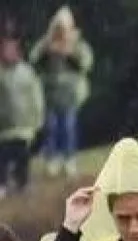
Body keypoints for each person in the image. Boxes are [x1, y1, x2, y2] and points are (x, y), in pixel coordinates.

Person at [28, 6, 93, 179]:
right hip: (49, 94)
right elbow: (33, 59)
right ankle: (52, 159)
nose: (60, 32)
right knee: (51, 127)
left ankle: (69, 159)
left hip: (69, 95)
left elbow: (86, 63)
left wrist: (70, 52)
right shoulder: (46, 43)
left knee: (68, 127)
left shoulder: (76, 44)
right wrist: (47, 48)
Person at [0, 33, 45, 196]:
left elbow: (36, 96)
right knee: (3, 158)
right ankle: (3, 184)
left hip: (24, 127)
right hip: (4, 129)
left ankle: (22, 183)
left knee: (22, 157)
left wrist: (38, 119)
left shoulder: (26, 72)